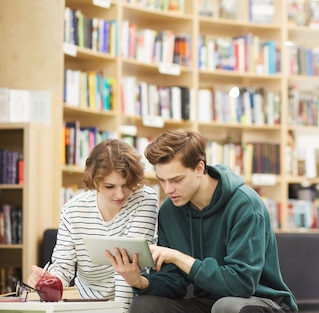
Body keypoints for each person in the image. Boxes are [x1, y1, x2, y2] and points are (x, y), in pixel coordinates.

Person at [108, 129, 297, 313]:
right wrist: (138, 281)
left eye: (176, 180)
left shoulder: (245, 205)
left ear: (199, 168)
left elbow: (242, 284)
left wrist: (177, 256)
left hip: (261, 302)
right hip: (208, 303)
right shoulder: (169, 211)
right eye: (162, 181)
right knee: (145, 305)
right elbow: (173, 284)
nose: (168, 190)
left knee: (227, 307)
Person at [26, 138, 159, 311]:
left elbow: (127, 267)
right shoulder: (72, 210)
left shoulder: (145, 199)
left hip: (137, 300)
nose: (120, 194)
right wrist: (50, 281)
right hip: (87, 301)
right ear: (95, 182)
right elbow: (63, 266)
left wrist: (120, 310)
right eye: (109, 186)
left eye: (126, 185)